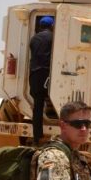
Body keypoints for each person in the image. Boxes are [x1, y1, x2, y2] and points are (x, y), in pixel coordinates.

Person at [29, 16, 54, 145]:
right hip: (47, 74)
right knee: (56, 102)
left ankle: (37, 136)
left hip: (34, 75)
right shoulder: (52, 38)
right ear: (51, 26)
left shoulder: (33, 39)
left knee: (37, 106)